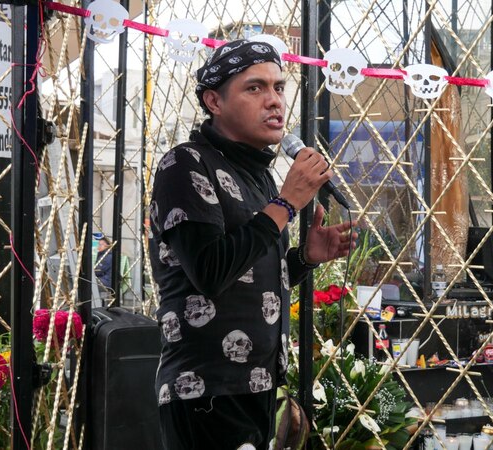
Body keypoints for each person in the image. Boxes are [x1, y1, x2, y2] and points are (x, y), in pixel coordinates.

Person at [148, 39, 357, 450]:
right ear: (214, 101)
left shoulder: (258, 176)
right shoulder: (185, 164)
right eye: (255, 88)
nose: (274, 101)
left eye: (279, 87)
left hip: (258, 387)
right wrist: (286, 203)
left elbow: (246, 279)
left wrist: (301, 259)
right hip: (205, 391)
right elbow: (210, 272)